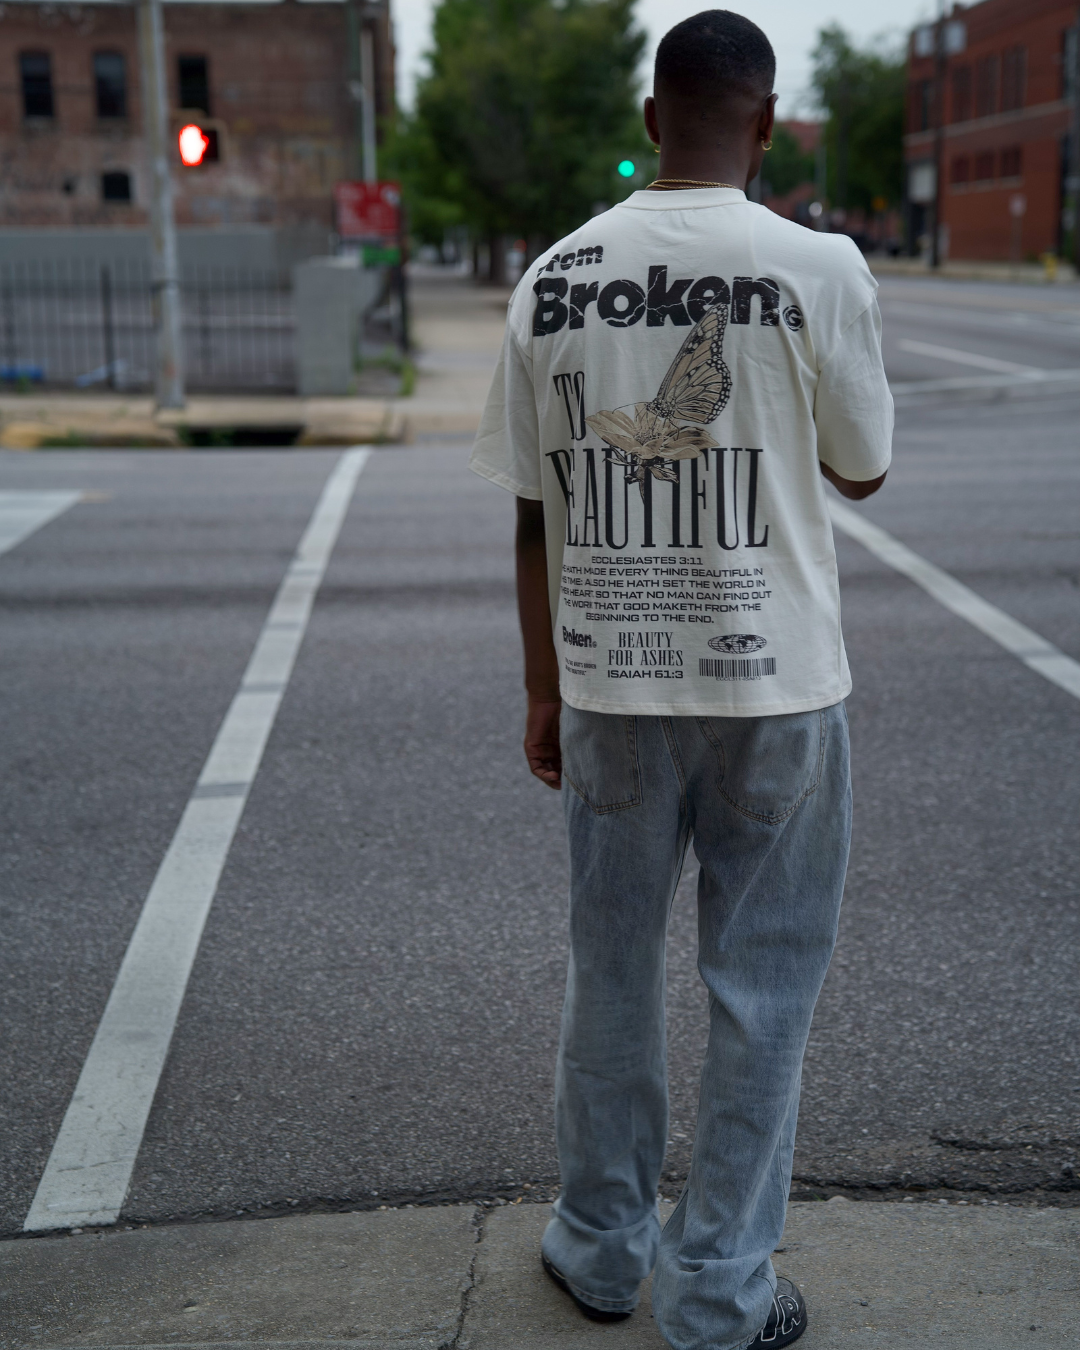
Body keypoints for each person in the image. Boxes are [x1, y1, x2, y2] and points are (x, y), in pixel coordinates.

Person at [469, 10, 892, 1348]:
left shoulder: (553, 276)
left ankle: (600, 1247)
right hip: (777, 687)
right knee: (761, 993)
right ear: (765, 124)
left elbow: (533, 512)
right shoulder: (820, 265)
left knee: (610, 972)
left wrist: (541, 687)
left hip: (611, 684)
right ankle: (719, 1292)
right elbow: (861, 467)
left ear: (652, 119)